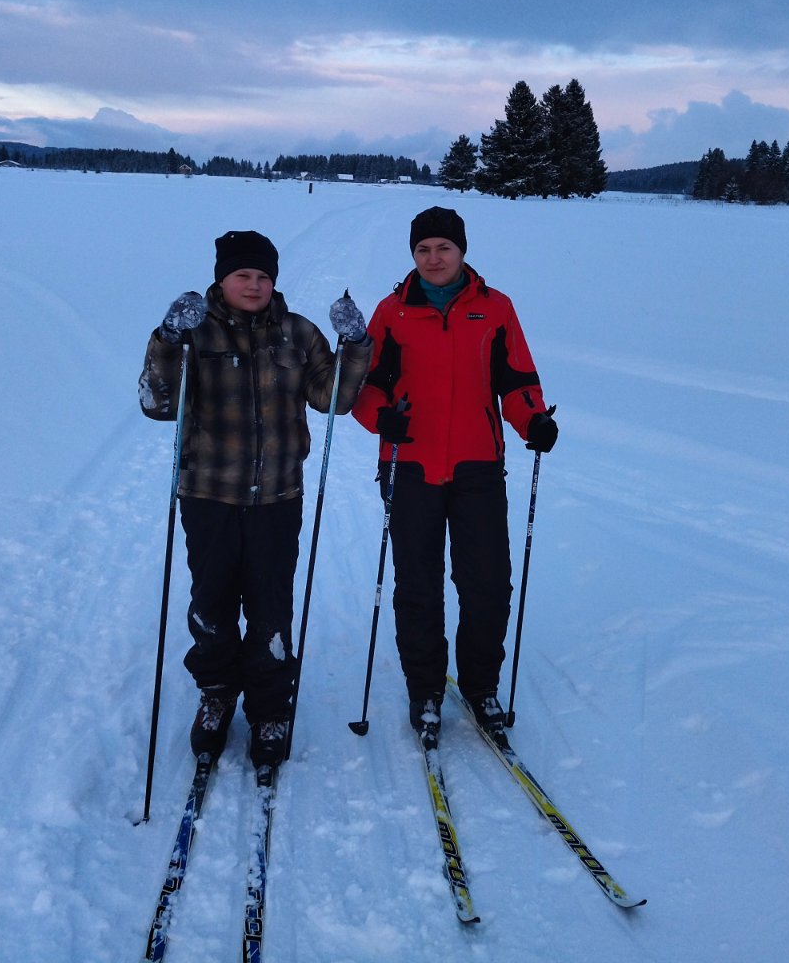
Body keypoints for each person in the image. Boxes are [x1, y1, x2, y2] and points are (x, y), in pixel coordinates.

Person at [139, 230, 372, 768]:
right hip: (208, 494)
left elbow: (331, 398)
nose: (254, 285)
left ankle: (270, 705)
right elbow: (157, 402)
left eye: (264, 276)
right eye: (243, 275)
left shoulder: (297, 332)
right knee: (213, 603)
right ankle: (217, 694)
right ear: (221, 278)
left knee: (270, 607)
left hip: (276, 497)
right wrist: (169, 336)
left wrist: (355, 346)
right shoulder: (196, 333)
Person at [352, 207, 557, 747]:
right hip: (410, 465)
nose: (433, 258)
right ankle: (425, 691)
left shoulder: (494, 309)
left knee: (487, 582)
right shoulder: (392, 312)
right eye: (423, 250)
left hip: (478, 466)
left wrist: (532, 419)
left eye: (443, 248)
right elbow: (364, 386)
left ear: (462, 251)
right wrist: (381, 418)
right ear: (412, 255)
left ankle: (480, 685)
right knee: (417, 585)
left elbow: (516, 380)